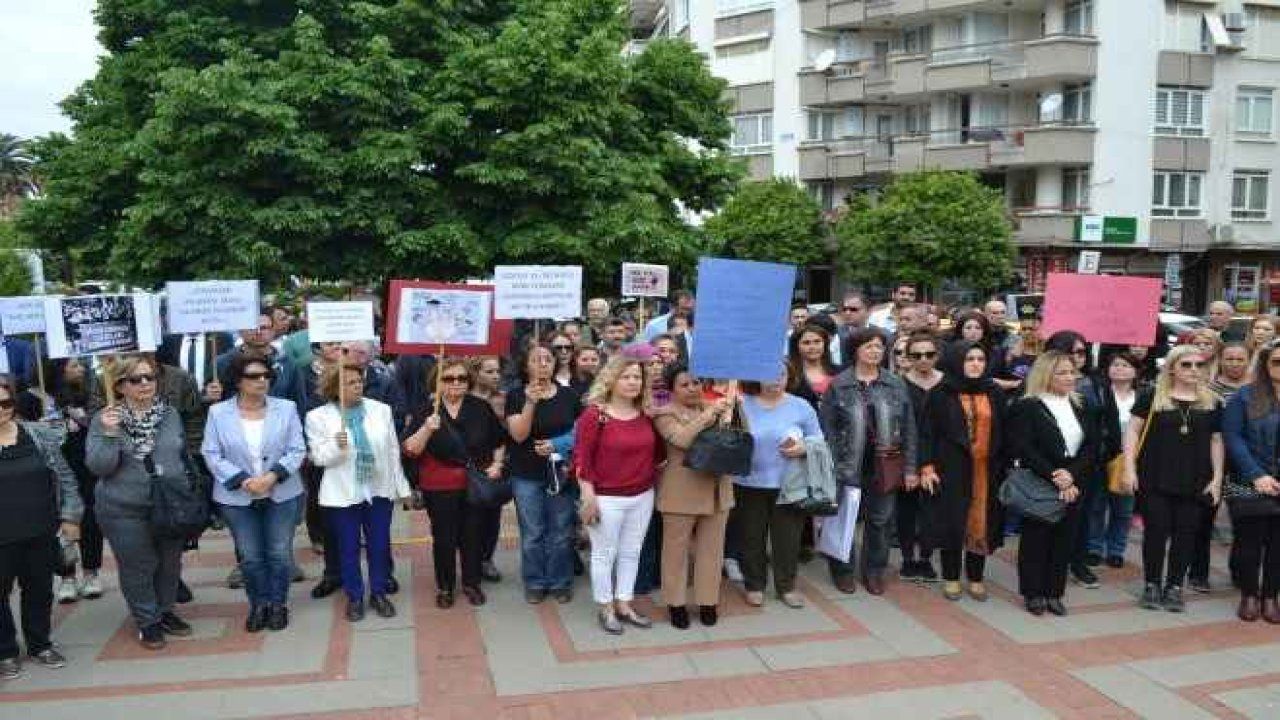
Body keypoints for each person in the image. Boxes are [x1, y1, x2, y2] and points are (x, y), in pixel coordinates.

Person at [86, 355, 194, 649]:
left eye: (150, 377)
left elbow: (180, 452)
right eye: (136, 379)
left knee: (170, 564)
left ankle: (165, 610)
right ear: (120, 386)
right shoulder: (105, 418)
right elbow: (99, 467)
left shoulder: (169, 414)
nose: (145, 383)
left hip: (169, 504)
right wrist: (110, 434)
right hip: (123, 508)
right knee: (139, 565)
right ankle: (148, 620)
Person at [202, 354, 307, 632]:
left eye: (266, 375)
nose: (262, 381)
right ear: (238, 381)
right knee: (250, 556)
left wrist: (273, 476)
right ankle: (258, 604)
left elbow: (297, 449)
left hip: (281, 492)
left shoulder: (286, 408)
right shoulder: (218, 413)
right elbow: (211, 453)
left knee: (279, 553)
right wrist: (243, 481)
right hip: (237, 497)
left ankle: (278, 604)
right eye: (253, 376)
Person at [305, 362, 411, 622]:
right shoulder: (317, 417)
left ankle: (378, 592)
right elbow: (318, 458)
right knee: (348, 547)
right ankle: (354, 596)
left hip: (378, 488)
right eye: (349, 383)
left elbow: (392, 451)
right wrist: (335, 446)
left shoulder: (381, 410)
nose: (357, 386)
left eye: (359, 381)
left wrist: (402, 487)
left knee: (379, 544)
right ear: (334, 388)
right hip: (342, 493)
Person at [1123, 345, 1224, 612]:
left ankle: (1175, 586)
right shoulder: (1152, 395)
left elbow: (1216, 441)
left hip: (1196, 478)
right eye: (1186, 364)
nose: (1193, 369)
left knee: (1186, 535)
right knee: (1155, 532)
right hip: (1155, 476)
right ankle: (1152, 584)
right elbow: (1132, 432)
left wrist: (1217, 478)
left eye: (1199, 365)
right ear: (1172, 368)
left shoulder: (1212, 401)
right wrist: (1129, 469)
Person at [821, 328, 918, 596]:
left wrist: (910, 468)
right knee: (844, 519)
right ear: (856, 350)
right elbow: (827, 428)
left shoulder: (894, 383)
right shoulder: (839, 384)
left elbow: (909, 427)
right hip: (846, 464)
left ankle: (874, 571)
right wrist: (830, 463)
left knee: (881, 520)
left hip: (885, 464)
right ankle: (842, 571)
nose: (875, 351)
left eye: (879, 347)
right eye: (869, 346)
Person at [403, 358, 506, 608]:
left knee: (473, 535)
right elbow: (410, 450)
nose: (456, 383)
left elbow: (499, 440)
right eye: (448, 378)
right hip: (438, 486)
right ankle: (445, 586)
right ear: (437, 382)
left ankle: (472, 583)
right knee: (444, 537)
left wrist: (497, 464)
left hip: (474, 483)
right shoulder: (425, 410)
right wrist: (427, 429)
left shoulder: (480, 407)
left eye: (462, 378)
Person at [0, 379, 83, 678]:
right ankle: (5, 651)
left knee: (39, 590)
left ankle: (40, 645)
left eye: (6, 403)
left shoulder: (38, 434)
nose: (1, 410)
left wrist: (71, 517)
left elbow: (65, 477)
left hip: (41, 531)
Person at [1010, 350, 1102, 617]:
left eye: (1072, 372)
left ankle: (1054, 593)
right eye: (1062, 372)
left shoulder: (1082, 404)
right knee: (1036, 540)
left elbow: (1092, 446)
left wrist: (1071, 475)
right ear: (1046, 374)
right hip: (1041, 480)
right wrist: (1057, 476)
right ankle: (1033, 592)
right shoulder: (1028, 406)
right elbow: (1024, 448)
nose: (1070, 377)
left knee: (1065, 539)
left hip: (1075, 481)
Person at [573, 358, 661, 633]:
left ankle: (624, 603)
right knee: (604, 554)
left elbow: (658, 455)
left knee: (631, 552)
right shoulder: (595, 415)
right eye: (626, 376)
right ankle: (606, 607)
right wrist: (588, 496)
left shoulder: (646, 414)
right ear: (611, 379)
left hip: (642, 495)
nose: (633, 382)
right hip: (606, 497)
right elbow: (582, 459)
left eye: (637, 377)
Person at [919, 343, 1007, 601]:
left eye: (980, 359)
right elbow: (927, 433)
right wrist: (927, 466)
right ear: (957, 361)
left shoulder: (994, 392)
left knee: (981, 521)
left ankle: (976, 577)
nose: (976, 364)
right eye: (969, 359)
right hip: (951, 467)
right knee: (953, 522)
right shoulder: (941, 393)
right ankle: (951, 576)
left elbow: (1005, 431)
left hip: (986, 469)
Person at [735, 363, 823, 608]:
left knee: (788, 539)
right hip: (748, 482)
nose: (775, 380)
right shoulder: (741, 404)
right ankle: (754, 585)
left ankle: (787, 586)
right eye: (768, 374)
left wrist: (803, 447)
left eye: (781, 374)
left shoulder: (801, 406)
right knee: (751, 537)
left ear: (789, 377)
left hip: (789, 483)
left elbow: (818, 438)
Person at [653, 364, 734, 629]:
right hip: (680, 492)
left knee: (712, 552)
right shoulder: (664, 412)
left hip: (717, 490)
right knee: (675, 553)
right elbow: (682, 440)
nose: (692, 388)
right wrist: (709, 415)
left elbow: (740, 434)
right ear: (672, 389)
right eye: (684, 384)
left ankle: (708, 601)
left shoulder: (716, 406)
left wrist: (735, 408)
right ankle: (675, 603)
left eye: (696, 383)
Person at [506, 343, 582, 604]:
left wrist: (557, 444)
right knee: (533, 533)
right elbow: (518, 435)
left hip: (560, 472)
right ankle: (535, 582)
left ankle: (560, 581)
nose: (543, 364)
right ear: (526, 366)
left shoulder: (569, 395)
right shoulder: (516, 395)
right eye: (536, 359)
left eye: (548, 359)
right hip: (526, 474)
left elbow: (580, 433)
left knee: (561, 531)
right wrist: (530, 402)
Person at [1043, 330, 1115, 590]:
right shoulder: (1040, 383)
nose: (1078, 357)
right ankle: (1048, 563)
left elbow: (1109, 420)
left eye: (1082, 352)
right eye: (1072, 352)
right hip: (1052, 463)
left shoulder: (1096, 382)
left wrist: (1108, 452)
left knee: (1083, 515)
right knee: (1048, 514)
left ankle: (1078, 562)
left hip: (1088, 462)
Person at [1222, 342, 1280, 623]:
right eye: (1276, 362)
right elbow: (1233, 438)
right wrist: (1257, 475)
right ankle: (1249, 595)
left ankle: (1270, 596)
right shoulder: (1244, 396)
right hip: (1249, 479)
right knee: (1249, 541)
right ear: (1266, 365)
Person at [48, 359, 105, 605]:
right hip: (55, 470)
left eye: (81, 365)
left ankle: (91, 573)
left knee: (90, 521)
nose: (80, 369)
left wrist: (83, 418)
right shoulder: (43, 398)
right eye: (73, 366)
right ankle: (66, 575)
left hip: (87, 468)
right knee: (60, 521)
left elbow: (102, 425)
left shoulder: (92, 396)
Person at [1087, 353, 1141, 569]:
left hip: (1129, 460)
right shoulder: (1099, 393)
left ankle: (1116, 550)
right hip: (1101, 458)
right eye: (1115, 364)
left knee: (1123, 509)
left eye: (1125, 365)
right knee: (1096, 506)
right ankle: (1094, 548)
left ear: (1135, 371)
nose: (1119, 368)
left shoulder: (1141, 396)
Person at [899, 332, 944, 583]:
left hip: (940, 456)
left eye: (929, 354)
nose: (923, 359)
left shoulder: (947, 384)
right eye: (916, 355)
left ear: (937, 355)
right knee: (906, 509)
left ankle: (926, 558)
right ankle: (907, 558)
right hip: (908, 454)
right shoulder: (899, 385)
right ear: (908, 358)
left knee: (932, 510)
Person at [467, 355, 508, 582]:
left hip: (495, 463)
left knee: (492, 514)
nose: (496, 376)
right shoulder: (463, 397)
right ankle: (470, 560)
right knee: (471, 518)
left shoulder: (503, 398)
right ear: (475, 373)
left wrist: (498, 463)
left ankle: (486, 559)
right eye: (489, 371)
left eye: (497, 371)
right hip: (469, 464)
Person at [787, 324, 837, 410]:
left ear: (825, 344)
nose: (812, 347)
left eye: (817, 342)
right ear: (796, 346)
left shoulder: (840, 371)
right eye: (806, 343)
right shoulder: (789, 374)